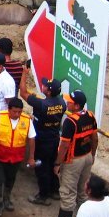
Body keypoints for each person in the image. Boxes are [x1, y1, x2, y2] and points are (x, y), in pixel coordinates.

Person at [46, 90, 98, 217]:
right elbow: (95, 138)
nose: (67, 103)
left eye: (70, 101)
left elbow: (64, 146)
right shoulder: (90, 115)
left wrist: (57, 163)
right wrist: (92, 155)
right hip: (87, 157)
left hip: (73, 161)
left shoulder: (70, 121)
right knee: (83, 192)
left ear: (76, 105)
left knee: (67, 193)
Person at [21, 71, 66, 205]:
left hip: (42, 140)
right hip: (54, 138)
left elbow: (23, 93)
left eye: (46, 86)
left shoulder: (41, 104)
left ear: (49, 91)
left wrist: (24, 74)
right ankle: (54, 190)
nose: (43, 86)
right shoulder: (62, 103)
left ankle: (42, 196)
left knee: (42, 168)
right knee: (52, 165)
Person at [0, 97, 36, 217]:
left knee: (10, 179)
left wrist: (31, 157)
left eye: (19, 112)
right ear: (9, 110)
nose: (17, 114)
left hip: (16, 157)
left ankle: (6, 198)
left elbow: (31, 139)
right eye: (14, 112)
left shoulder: (27, 120)